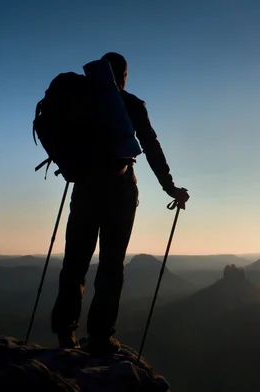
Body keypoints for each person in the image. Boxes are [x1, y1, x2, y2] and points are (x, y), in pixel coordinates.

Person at [50, 52, 190, 355]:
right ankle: (100, 337)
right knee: (112, 264)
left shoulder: (80, 102)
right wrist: (170, 188)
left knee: (75, 260)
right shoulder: (131, 105)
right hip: (120, 189)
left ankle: (65, 332)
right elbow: (150, 146)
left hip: (85, 187)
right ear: (122, 76)